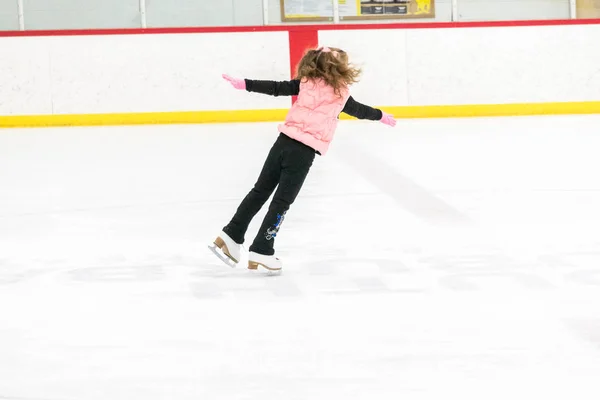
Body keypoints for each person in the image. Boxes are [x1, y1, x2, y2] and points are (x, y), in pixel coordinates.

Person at [209, 46, 397, 272]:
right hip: (303, 152)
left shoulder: (305, 83)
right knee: (281, 202)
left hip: (282, 143)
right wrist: (381, 116)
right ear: (340, 69)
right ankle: (262, 249)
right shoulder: (340, 95)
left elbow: (276, 88)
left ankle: (231, 234)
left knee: (259, 191)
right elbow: (359, 110)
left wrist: (245, 84)